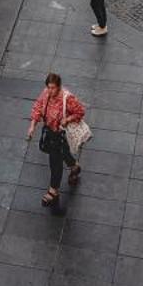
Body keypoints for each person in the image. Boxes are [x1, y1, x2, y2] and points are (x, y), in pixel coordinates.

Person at [26, 71, 86, 206]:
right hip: (50, 131)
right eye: (48, 87)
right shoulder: (46, 93)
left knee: (55, 162)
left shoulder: (67, 98)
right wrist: (32, 127)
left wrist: (68, 119)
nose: (50, 90)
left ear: (59, 86)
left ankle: (53, 190)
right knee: (64, 153)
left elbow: (80, 111)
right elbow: (37, 107)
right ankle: (74, 166)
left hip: (61, 134)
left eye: (52, 88)